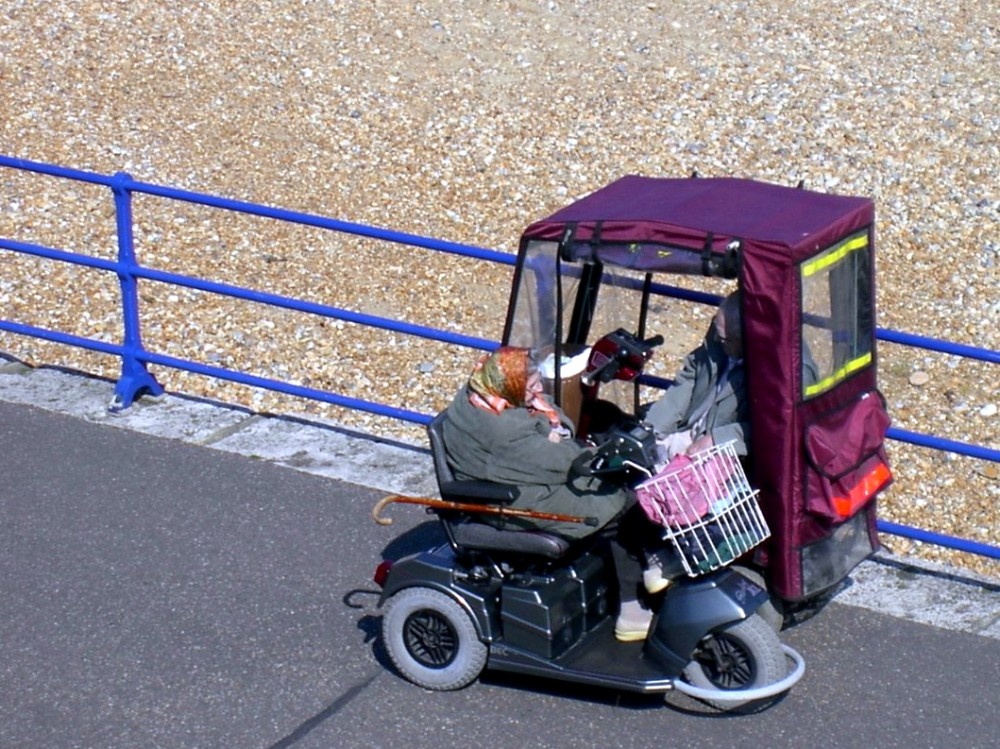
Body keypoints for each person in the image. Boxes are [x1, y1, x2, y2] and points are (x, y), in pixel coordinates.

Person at [441, 346, 662, 641]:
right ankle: (631, 610)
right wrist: (580, 449)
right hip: (513, 499)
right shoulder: (505, 430)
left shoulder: (486, 391)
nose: (539, 392)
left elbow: (558, 419)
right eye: (531, 388)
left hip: (524, 478)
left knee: (616, 490)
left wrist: (558, 434)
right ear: (513, 386)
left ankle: (645, 571)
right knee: (617, 506)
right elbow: (562, 463)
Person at [645, 291, 749, 460]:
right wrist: (652, 429)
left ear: (745, 340)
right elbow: (687, 382)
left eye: (723, 338)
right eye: (716, 328)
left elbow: (771, 429)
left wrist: (717, 439)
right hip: (684, 433)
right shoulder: (716, 344)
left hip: (718, 456)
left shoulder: (770, 373)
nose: (715, 337)